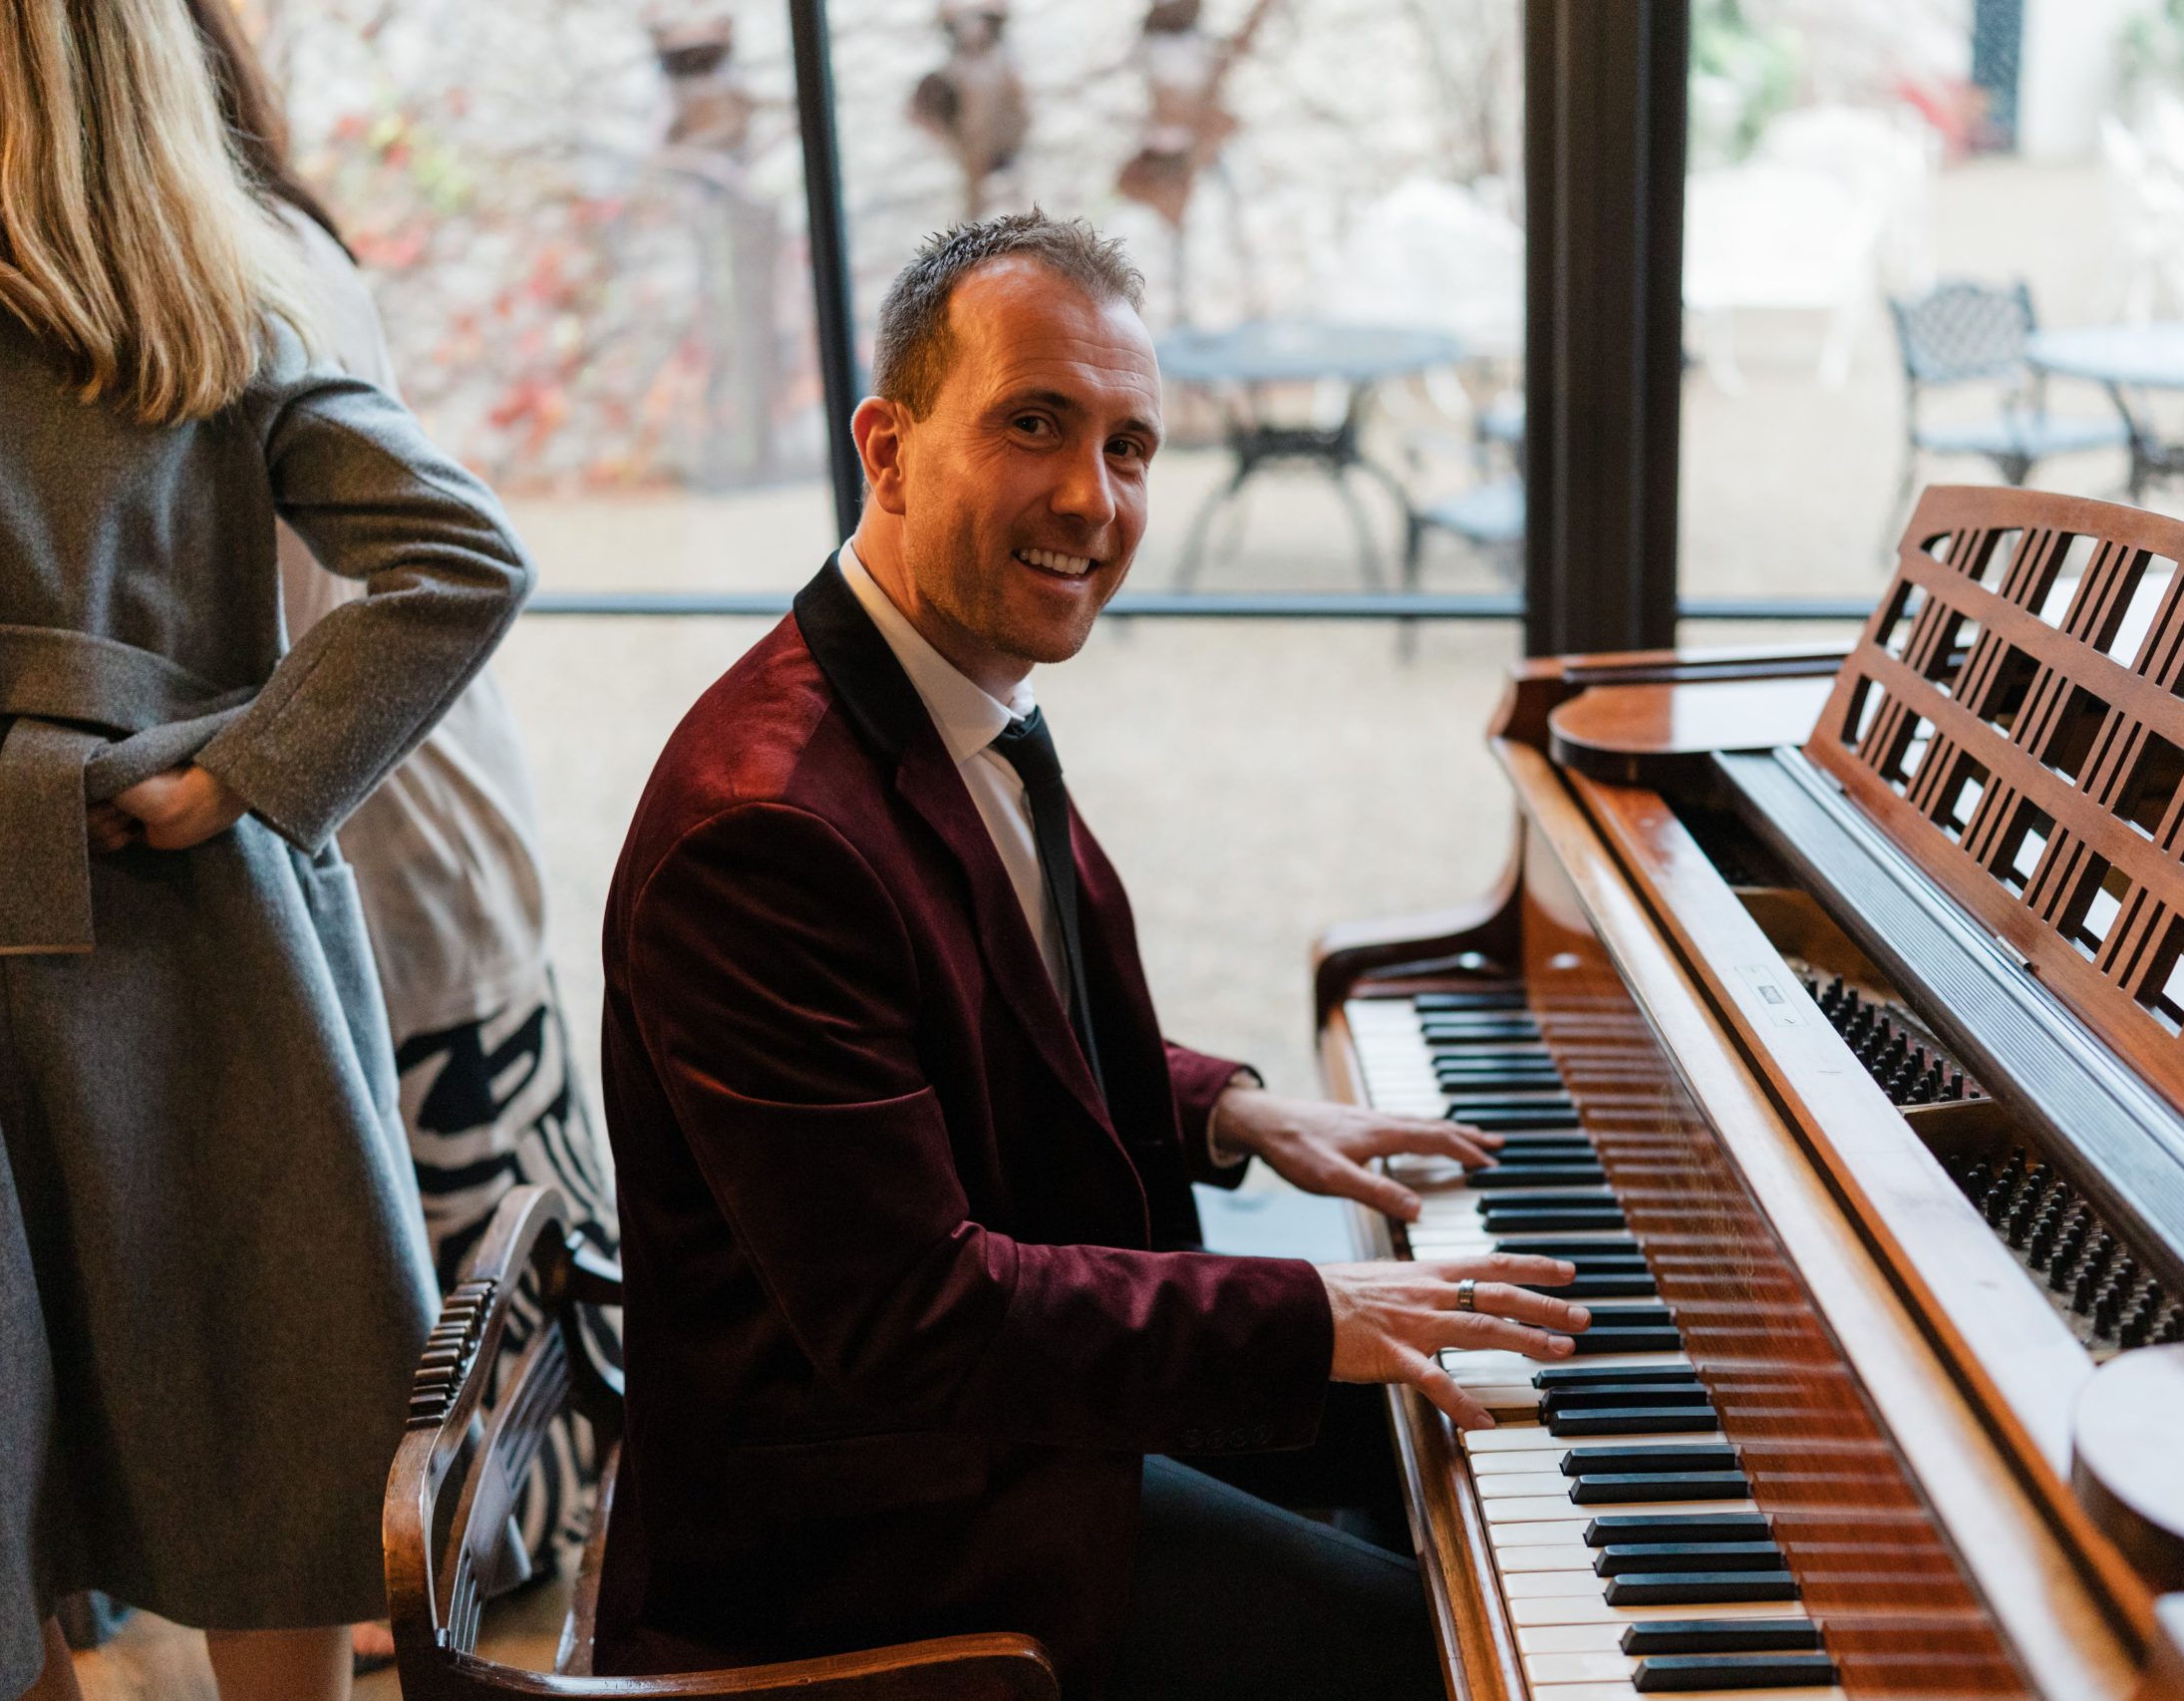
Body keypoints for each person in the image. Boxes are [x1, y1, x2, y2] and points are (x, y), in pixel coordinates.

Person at [598, 210, 1586, 1701]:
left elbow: (973, 1012)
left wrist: (1222, 1107)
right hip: (870, 1527)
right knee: (1471, 1655)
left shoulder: (936, 692)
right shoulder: (767, 828)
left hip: (983, 1420)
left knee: (1495, 1429)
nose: (1092, 497)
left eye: (1131, 447)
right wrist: (1316, 1310)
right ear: (888, 446)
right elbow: (915, 1315)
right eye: (1034, 425)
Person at [0, 2, 535, 1699]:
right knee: (259, 1414)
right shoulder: (225, 307)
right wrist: (248, 779)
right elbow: (464, 556)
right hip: (206, 954)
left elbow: (460, 560)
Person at [186, 0, 622, 1628]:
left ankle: (444, 1605)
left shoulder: (217, 265)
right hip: (434, 790)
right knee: (511, 1241)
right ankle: (496, 1567)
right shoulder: (281, 226)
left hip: (382, 815)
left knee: (443, 1283)